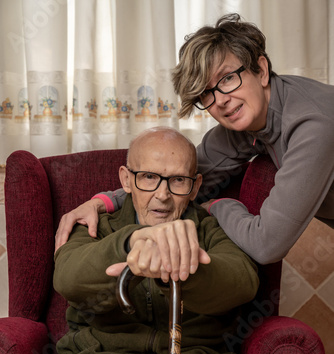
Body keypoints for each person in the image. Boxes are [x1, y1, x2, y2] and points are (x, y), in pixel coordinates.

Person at [4, 127, 291, 354]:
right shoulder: (92, 226)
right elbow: (69, 277)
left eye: (177, 181)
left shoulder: (214, 228)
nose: (162, 193)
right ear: (126, 179)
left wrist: (188, 264)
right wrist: (128, 245)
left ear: (195, 183)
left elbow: (241, 283)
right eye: (149, 177)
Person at [54, 13, 334, 265]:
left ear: (260, 70)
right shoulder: (242, 123)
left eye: (226, 79)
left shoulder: (313, 124)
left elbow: (267, 245)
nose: (221, 100)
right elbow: (177, 180)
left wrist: (219, 206)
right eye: (206, 93)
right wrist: (101, 202)